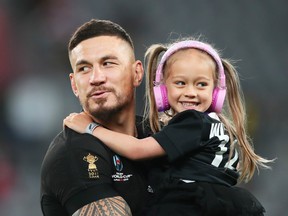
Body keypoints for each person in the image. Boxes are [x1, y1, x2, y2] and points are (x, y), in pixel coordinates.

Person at [64, 39, 274, 215]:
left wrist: (91, 128)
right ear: (163, 90)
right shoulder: (216, 125)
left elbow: (138, 150)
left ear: (216, 92)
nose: (191, 92)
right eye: (181, 83)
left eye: (201, 84)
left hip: (189, 204)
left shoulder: (193, 121)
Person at [40, 19, 152, 216]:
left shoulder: (156, 133)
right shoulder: (72, 152)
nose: (96, 78)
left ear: (137, 73)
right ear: (74, 85)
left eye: (108, 63)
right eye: (84, 68)